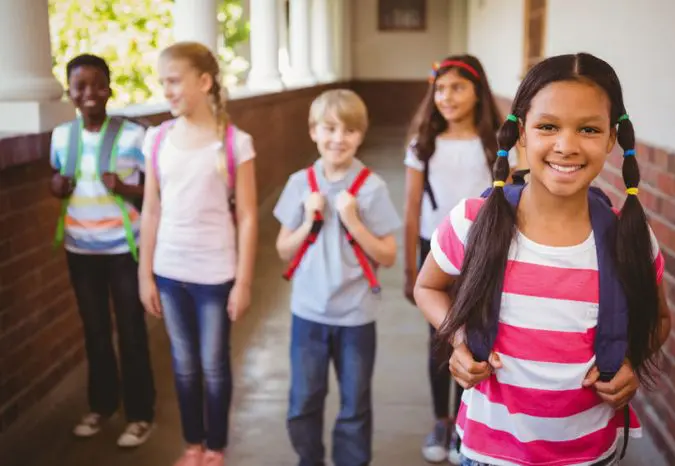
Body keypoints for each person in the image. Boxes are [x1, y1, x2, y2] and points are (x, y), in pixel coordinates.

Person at [414, 52, 671, 466]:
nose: (566, 145)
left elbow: (658, 319)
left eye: (588, 129)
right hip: (487, 453)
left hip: (589, 454)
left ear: (611, 139)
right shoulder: (470, 221)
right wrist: (459, 339)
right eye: (548, 126)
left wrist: (630, 362)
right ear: (520, 135)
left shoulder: (631, 238)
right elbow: (427, 287)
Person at [138, 41, 258, 466]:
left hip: (215, 273)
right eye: (162, 83)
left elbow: (246, 216)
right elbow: (150, 211)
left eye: (174, 81)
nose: (166, 91)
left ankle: (216, 446)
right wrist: (144, 274)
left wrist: (243, 282)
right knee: (184, 365)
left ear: (204, 82)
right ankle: (193, 444)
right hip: (169, 270)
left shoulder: (233, 143)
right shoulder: (156, 140)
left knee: (213, 365)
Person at [273, 89, 402, 466]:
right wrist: (310, 219)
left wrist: (353, 220)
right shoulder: (300, 184)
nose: (338, 138)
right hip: (309, 312)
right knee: (303, 401)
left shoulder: (372, 188)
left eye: (349, 130)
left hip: (356, 315)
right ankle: (308, 459)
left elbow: (388, 255)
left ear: (361, 135)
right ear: (313, 131)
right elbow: (284, 250)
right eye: (329, 128)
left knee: (355, 404)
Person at [404, 54, 518, 464]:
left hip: (479, 254)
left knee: (475, 335)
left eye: (457, 87)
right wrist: (408, 267)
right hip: (434, 254)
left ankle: (467, 420)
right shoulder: (423, 143)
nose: (446, 97)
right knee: (439, 336)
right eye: (440, 88)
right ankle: (441, 419)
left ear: (478, 92)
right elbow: (413, 206)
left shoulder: (495, 145)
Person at [49, 53, 156, 447]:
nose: (89, 93)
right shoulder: (62, 137)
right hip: (81, 248)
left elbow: (156, 192)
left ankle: (141, 414)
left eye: (98, 84)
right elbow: (58, 178)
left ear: (110, 88)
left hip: (124, 249)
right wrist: (55, 187)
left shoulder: (134, 135)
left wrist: (126, 188)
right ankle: (101, 405)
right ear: (70, 92)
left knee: (130, 330)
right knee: (95, 332)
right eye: (80, 86)